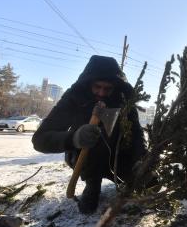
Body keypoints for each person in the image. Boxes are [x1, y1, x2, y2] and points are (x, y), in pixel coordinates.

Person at [32, 55, 148, 214]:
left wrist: (141, 160)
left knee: (150, 182)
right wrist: (74, 138)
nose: (101, 93)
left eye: (107, 89)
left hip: (118, 156)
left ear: (116, 87)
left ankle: (129, 176)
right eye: (97, 87)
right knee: (95, 145)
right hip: (86, 158)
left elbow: (136, 133)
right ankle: (93, 185)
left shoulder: (123, 101)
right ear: (88, 84)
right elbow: (40, 139)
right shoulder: (74, 98)